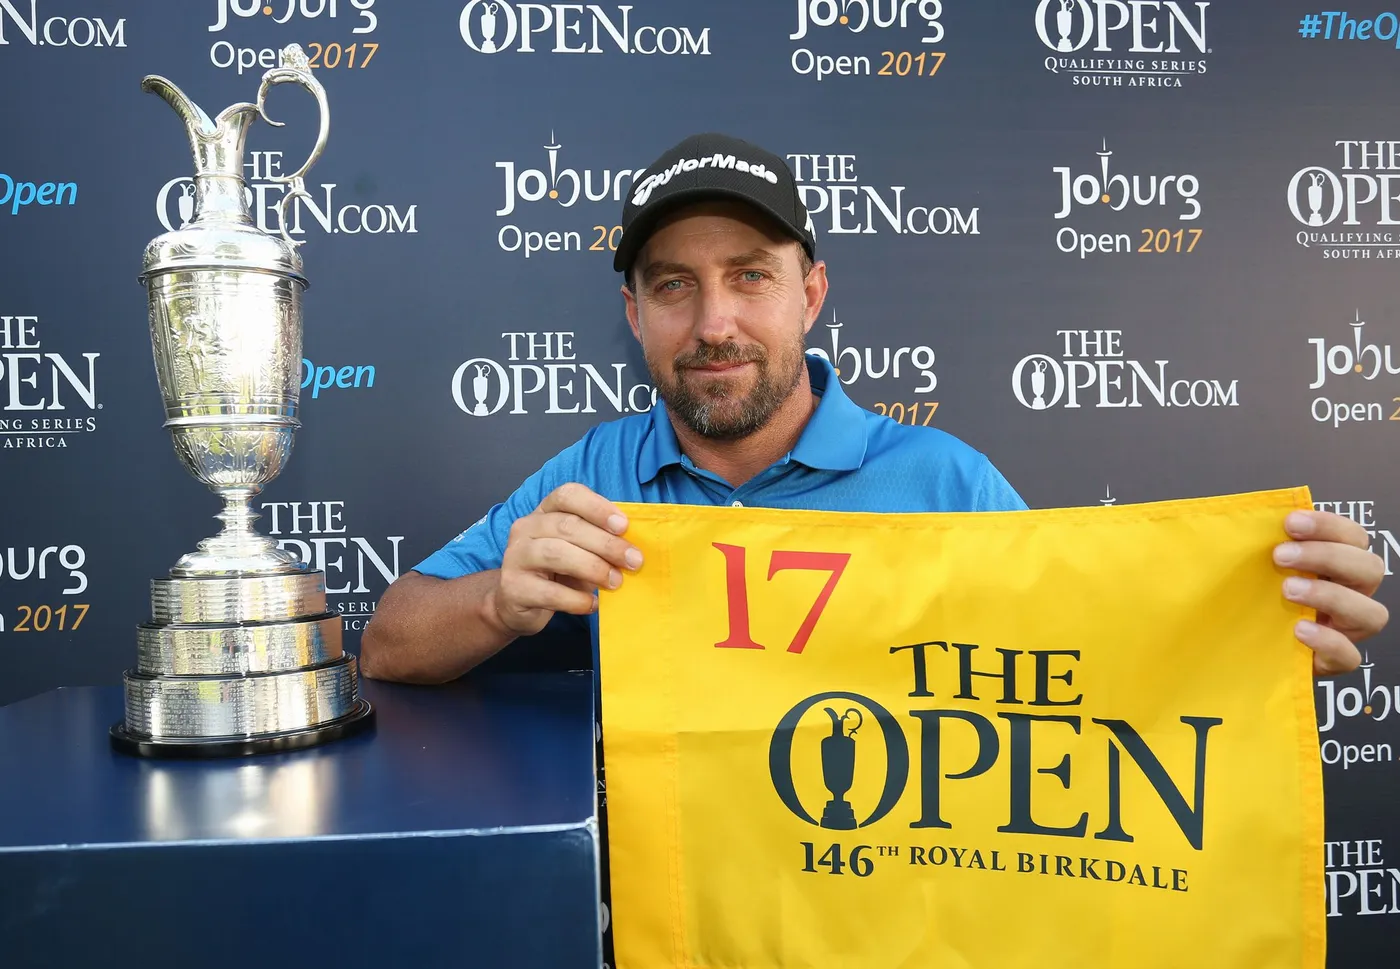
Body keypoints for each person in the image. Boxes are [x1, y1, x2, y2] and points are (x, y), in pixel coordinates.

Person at [360, 132, 1389, 962]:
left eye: (750, 277)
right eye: (673, 286)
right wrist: (499, 599)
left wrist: (1252, 642)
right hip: (690, 938)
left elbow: (1090, 694)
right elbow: (390, 644)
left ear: (809, 294)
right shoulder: (594, 474)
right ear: (633, 314)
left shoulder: (945, 482)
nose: (714, 321)